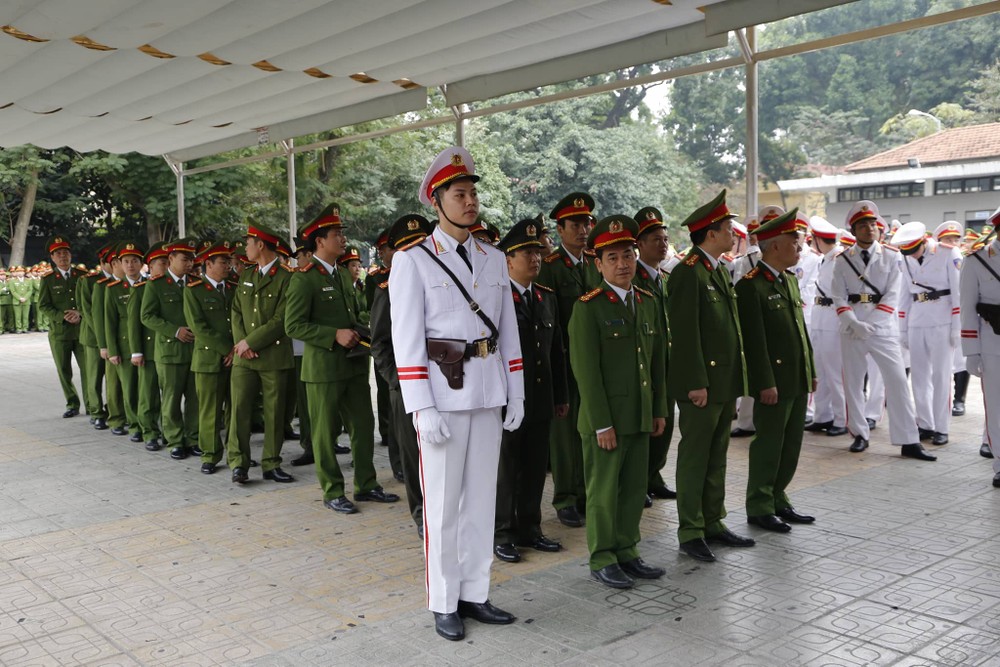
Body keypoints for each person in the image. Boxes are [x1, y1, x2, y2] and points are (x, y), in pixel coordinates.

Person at [390, 146, 524, 641]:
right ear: (437, 201)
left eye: (473, 193)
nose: (470, 202)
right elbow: (406, 339)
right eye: (459, 194)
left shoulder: (492, 258)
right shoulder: (413, 261)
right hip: (443, 398)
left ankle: (476, 592)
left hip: (488, 393)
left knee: (481, 502)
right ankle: (444, 600)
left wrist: (518, 391)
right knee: (443, 505)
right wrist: (420, 406)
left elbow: (507, 329)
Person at [570, 215, 668, 588]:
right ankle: (603, 556)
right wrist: (601, 423)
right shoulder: (589, 307)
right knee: (604, 491)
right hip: (607, 420)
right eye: (612, 257)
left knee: (631, 490)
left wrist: (658, 409)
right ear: (598, 264)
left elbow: (657, 362)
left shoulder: (646, 301)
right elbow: (587, 373)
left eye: (627, 254)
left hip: (640, 413)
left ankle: (628, 550)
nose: (623, 263)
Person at [285, 205, 397, 508]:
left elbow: (353, 314)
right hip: (323, 369)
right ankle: (333, 491)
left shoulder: (345, 275)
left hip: (354, 364)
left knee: (363, 425)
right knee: (323, 433)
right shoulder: (304, 278)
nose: (343, 239)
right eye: (337, 234)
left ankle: (366, 483)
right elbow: (293, 325)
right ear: (319, 241)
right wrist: (332, 335)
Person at [667, 190, 754, 563]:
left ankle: (712, 521)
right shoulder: (687, 274)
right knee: (695, 457)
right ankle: (690, 530)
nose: (733, 232)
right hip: (701, 385)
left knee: (717, 455)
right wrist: (694, 383)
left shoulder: (716, 268)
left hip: (722, 382)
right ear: (710, 233)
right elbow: (684, 336)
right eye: (727, 227)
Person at [832, 201, 935, 461]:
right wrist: (855, 323)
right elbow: (838, 295)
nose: (869, 229)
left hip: (882, 328)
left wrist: (872, 324)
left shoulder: (891, 255)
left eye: (872, 224)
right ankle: (859, 433)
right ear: (853, 230)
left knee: (898, 381)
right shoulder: (843, 259)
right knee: (853, 383)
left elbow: (893, 294)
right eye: (863, 225)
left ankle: (908, 440)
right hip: (852, 327)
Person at [735, 209, 817, 533]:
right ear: (774, 247)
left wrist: (810, 368)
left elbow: (800, 330)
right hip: (774, 382)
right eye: (793, 242)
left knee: (791, 443)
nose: (799, 248)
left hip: (795, 376)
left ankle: (778, 497)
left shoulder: (789, 280)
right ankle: (759, 504)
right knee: (769, 444)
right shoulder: (750, 287)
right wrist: (764, 382)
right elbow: (754, 343)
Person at [493, 217, 569, 564]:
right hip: (507, 401)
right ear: (508, 260)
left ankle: (531, 528)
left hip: (539, 399)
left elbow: (557, 352)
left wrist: (561, 396)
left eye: (537, 251)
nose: (535, 257)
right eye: (526, 252)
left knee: (537, 465)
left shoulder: (545, 297)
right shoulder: (495, 299)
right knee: (508, 468)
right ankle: (503, 532)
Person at [536, 192, 600, 528]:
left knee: (590, 430)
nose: (583, 229)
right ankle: (565, 497)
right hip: (563, 361)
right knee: (564, 436)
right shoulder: (550, 268)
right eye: (575, 224)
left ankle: (588, 493)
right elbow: (548, 320)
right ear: (560, 230)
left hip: (593, 362)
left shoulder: (594, 262)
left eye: (587, 223)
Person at [371, 214, 434, 536]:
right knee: (413, 454)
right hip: (405, 385)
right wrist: (396, 380)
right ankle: (422, 512)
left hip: (440, 380)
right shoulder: (387, 286)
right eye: (410, 246)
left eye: (423, 243)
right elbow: (380, 342)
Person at [227, 223, 295, 484]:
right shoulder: (247, 274)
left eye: (248, 242)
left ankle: (271, 462)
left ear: (261, 245)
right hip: (244, 358)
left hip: (273, 356)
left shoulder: (287, 277)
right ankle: (238, 463)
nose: (245, 247)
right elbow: (235, 311)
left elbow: (282, 319)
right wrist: (241, 343)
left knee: (275, 413)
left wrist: (251, 343)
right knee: (240, 411)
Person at [894, 222, 961, 447]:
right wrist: (902, 329)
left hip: (942, 320)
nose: (912, 255)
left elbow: (958, 292)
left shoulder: (947, 252)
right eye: (908, 252)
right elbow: (904, 295)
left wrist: (956, 327)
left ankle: (942, 427)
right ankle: (925, 424)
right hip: (916, 321)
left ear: (924, 241)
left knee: (941, 376)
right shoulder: (905, 257)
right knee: (919, 376)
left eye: (915, 250)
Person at [140, 238, 200, 460]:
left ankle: (193, 438)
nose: (189, 264)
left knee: (195, 398)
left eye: (192, 260)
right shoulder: (156, 285)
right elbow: (146, 316)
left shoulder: (195, 282)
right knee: (172, 398)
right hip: (170, 351)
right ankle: (175, 439)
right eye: (185, 259)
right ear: (171, 259)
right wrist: (175, 331)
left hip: (195, 351)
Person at [631, 207, 676, 505]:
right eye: (656, 239)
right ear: (640, 245)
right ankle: (639, 480)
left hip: (667, 363)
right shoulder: (632, 279)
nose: (663, 244)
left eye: (665, 238)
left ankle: (654, 475)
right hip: (644, 363)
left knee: (667, 422)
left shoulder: (666, 278)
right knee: (646, 424)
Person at [183, 240, 236, 474]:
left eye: (228, 261)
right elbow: (199, 328)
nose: (228, 266)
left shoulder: (234, 287)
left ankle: (237, 455)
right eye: (223, 262)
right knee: (210, 411)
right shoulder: (194, 290)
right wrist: (228, 349)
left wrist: (236, 350)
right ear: (208, 264)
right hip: (208, 361)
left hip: (236, 359)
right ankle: (210, 454)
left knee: (236, 410)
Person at [960, 212, 1000, 486]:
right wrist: (971, 350)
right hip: (992, 343)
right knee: (997, 406)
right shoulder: (977, 261)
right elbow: (967, 309)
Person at [804, 216, 849, 437]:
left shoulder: (841, 258)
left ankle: (842, 419)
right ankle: (822, 416)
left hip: (833, 318)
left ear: (818, 239)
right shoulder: (825, 258)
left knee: (835, 372)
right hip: (820, 316)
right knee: (819, 369)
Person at [38, 235, 87, 417]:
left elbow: (89, 302)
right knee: (64, 371)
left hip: (81, 331)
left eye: (65, 252)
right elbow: (43, 305)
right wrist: (63, 316)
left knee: (88, 369)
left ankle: (92, 405)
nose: (62, 256)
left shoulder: (82, 276)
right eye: (58, 253)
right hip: (60, 332)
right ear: (52, 257)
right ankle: (72, 403)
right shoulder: (48, 279)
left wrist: (80, 313)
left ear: (71, 255)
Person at [104, 241, 146, 442]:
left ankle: (150, 423)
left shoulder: (150, 285)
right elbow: (109, 322)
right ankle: (135, 424)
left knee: (148, 388)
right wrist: (112, 350)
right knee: (129, 388)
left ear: (141, 263)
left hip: (147, 344)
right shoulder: (113, 289)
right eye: (126, 261)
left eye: (134, 261)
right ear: (119, 264)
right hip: (124, 345)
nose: (130, 265)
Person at [129, 242, 167, 451]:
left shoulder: (174, 286)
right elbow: (134, 322)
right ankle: (150, 432)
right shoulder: (141, 289)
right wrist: (136, 351)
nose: (166, 266)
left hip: (169, 350)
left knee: (168, 395)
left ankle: (168, 431)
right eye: (162, 263)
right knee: (149, 394)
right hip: (150, 350)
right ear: (150, 266)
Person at [94, 245, 128, 436]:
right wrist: (104, 345)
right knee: (114, 383)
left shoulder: (134, 284)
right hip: (112, 342)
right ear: (115, 263)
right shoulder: (103, 287)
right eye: (123, 261)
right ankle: (116, 418)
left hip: (130, 342)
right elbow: (100, 319)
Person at [78, 245, 111, 429]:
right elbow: (87, 311)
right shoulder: (89, 281)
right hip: (93, 337)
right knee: (95, 375)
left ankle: (112, 408)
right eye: (110, 262)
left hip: (113, 337)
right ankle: (97, 411)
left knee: (114, 379)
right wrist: (102, 335)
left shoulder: (119, 281)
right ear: (102, 263)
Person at [8, 266, 32, 333]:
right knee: (18, 316)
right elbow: (13, 291)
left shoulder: (28, 281)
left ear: (24, 272)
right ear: (16, 272)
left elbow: (30, 290)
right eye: (18, 271)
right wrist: (20, 298)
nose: (20, 273)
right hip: (17, 301)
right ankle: (19, 328)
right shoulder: (12, 281)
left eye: (21, 271)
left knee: (25, 316)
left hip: (26, 301)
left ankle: (25, 328)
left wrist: (25, 298)